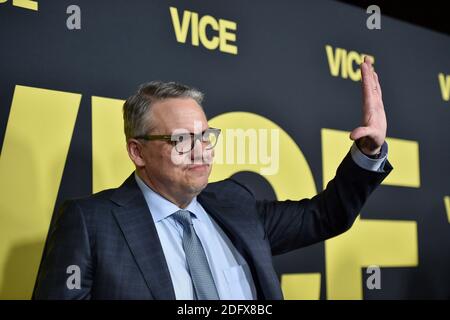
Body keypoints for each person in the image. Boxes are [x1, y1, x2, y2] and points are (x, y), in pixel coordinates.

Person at [33, 57, 392, 299]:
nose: (200, 149)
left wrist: (368, 152)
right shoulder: (90, 222)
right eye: (181, 139)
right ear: (137, 152)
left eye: (205, 135)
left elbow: (325, 216)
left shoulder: (236, 203)